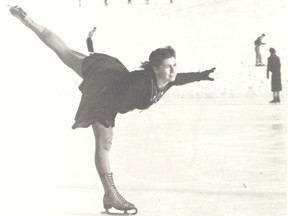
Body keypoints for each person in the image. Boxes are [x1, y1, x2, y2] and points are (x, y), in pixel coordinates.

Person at [9, 5, 215, 215]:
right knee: (104, 142)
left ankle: (29, 22)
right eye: (168, 66)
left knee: (66, 53)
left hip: (108, 76)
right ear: (154, 68)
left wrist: (201, 75)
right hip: (105, 93)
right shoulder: (140, 83)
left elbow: (179, 78)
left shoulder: (166, 80)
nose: (173, 70)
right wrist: (102, 114)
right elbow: (117, 96)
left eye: (174, 65)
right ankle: (111, 194)